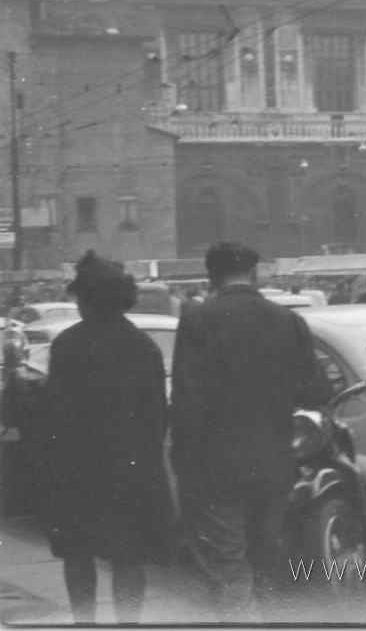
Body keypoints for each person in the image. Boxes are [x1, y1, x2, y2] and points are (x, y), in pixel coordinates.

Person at [170, 242, 332, 622]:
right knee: (265, 563)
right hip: (273, 464)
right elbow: (316, 392)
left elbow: (187, 400)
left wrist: (183, 459)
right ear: (254, 273)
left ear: (211, 276)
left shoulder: (197, 320)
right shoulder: (288, 320)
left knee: (228, 568)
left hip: (216, 467)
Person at [36, 251, 172, 623]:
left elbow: (54, 415)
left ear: (88, 299)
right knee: (129, 558)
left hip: (77, 472)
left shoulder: (69, 345)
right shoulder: (144, 348)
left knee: (79, 556)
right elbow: (158, 416)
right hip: (130, 472)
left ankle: (85, 624)